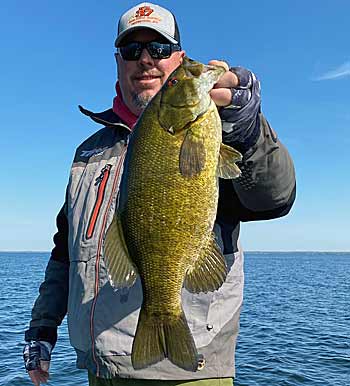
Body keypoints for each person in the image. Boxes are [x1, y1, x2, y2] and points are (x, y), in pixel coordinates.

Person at [23, 3, 296, 386]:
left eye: (161, 50)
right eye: (133, 51)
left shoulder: (217, 129)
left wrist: (249, 131)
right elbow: (64, 252)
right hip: (98, 370)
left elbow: (274, 197)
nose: (146, 60)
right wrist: (42, 329)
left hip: (188, 373)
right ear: (118, 62)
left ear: (178, 58)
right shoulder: (87, 153)